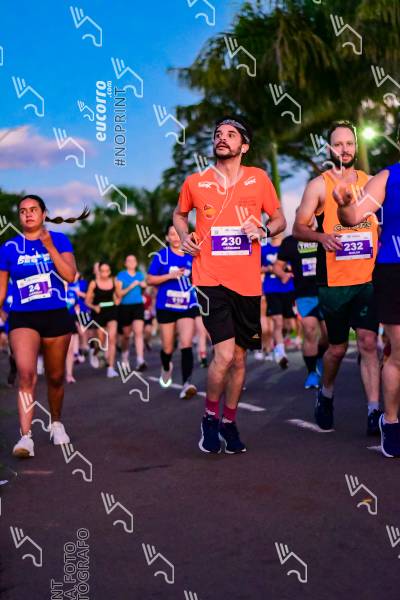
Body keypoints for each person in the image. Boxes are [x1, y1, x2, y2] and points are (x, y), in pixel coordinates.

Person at [173, 115, 286, 453]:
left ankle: (230, 421)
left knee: (238, 358)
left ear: (244, 146)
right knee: (223, 354)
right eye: (218, 134)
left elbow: (279, 219)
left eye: (231, 134)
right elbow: (179, 215)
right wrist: (184, 236)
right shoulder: (196, 182)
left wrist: (264, 230)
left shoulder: (258, 178)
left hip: (247, 282)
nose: (222, 138)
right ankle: (210, 418)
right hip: (209, 278)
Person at [293, 120, 381, 434]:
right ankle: (326, 393)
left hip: (368, 277)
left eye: (349, 143)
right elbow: (298, 227)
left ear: (356, 146)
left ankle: (374, 412)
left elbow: (382, 220)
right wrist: (321, 237)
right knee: (338, 348)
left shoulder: (372, 182)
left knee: (368, 343)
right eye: (338, 144)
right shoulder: (319, 185)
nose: (344, 149)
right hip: (333, 281)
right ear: (329, 148)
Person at [0, 195, 89, 457]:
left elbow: (70, 275)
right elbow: (1, 290)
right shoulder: (9, 248)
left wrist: (49, 246)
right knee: (26, 374)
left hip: (56, 315)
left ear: (43, 213)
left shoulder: (59, 240)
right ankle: (25, 437)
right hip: (23, 318)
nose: (28, 214)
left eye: (33, 209)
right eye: (23, 211)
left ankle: (56, 423)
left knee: (55, 377)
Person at [333, 142, 400, 456]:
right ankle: (391, 421)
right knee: (399, 351)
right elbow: (354, 216)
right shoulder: (388, 177)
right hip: (393, 271)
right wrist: (345, 204)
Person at [146, 223, 198, 399]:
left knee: (186, 344)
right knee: (167, 347)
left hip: (187, 305)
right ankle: (166, 367)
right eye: (172, 234)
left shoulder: (192, 255)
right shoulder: (161, 256)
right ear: (167, 238)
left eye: (178, 233)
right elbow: (150, 279)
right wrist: (170, 275)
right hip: (166, 306)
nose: (176, 237)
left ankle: (187, 384)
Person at [274, 231, 328, 388]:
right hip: (304, 294)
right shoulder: (290, 241)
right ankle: (312, 373)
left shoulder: (323, 234)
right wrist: (283, 275)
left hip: (326, 291)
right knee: (310, 331)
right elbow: (277, 266)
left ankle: (319, 357)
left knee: (329, 336)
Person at [261, 234, 296, 369]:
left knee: (289, 325)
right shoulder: (264, 248)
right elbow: (256, 268)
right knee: (277, 321)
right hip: (271, 289)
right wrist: (269, 268)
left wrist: (289, 270)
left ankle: (279, 341)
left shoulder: (288, 246)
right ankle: (281, 354)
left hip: (288, 288)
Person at [85, 262, 119, 378]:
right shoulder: (94, 283)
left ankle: (111, 368)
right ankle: (95, 351)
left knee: (112, 338)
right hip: (99, 312)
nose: (105, 273)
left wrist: (118, 299)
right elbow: (87, 301)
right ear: (99, 272)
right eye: (102, 271)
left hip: (112, 311)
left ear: (110, 271)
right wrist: (94, 307)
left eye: (107, 271)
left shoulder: (114, 281)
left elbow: (118, 295)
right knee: (100, 340)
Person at [115, 255, 147, 371]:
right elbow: (119, 293)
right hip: (125, 306)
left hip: (138, 305)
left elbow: (144, 289)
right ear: (125, 263)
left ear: (136, 263)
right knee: (126, 335)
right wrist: (131, 286)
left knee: (138, 332)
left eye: (134, 260)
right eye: (129, 260)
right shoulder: (121, 275)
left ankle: (140, 360)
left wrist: (143, 286)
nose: (132, 262)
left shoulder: (140, 275)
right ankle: (124, 357)